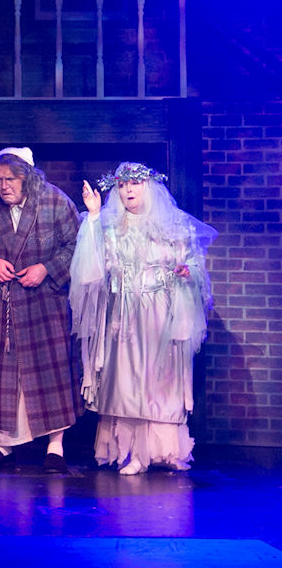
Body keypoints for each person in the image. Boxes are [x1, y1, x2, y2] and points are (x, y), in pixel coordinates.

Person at [71, 162, 216, 475]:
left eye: (134, 184)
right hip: (124, 315)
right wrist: (93, 216)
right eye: (122, 185)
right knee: (128, 379)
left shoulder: (173, 224)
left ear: (148, 187)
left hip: (160, 311)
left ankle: (164, 450)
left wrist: (187, 270)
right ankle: (134, 453)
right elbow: (90, 265)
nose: (128, 191)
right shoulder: (110, 226)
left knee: (159, 381)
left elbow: (194, 262)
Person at [0, 147, 82, 473]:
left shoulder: (55, 201)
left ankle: (55, 448)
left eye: (10, 179)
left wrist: (47, 268)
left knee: (50, 375)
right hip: (2, 306)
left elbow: (78, 244)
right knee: (2, 377)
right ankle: (3, 447)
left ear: (27, 178)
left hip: (44, 304)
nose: (4, 186)